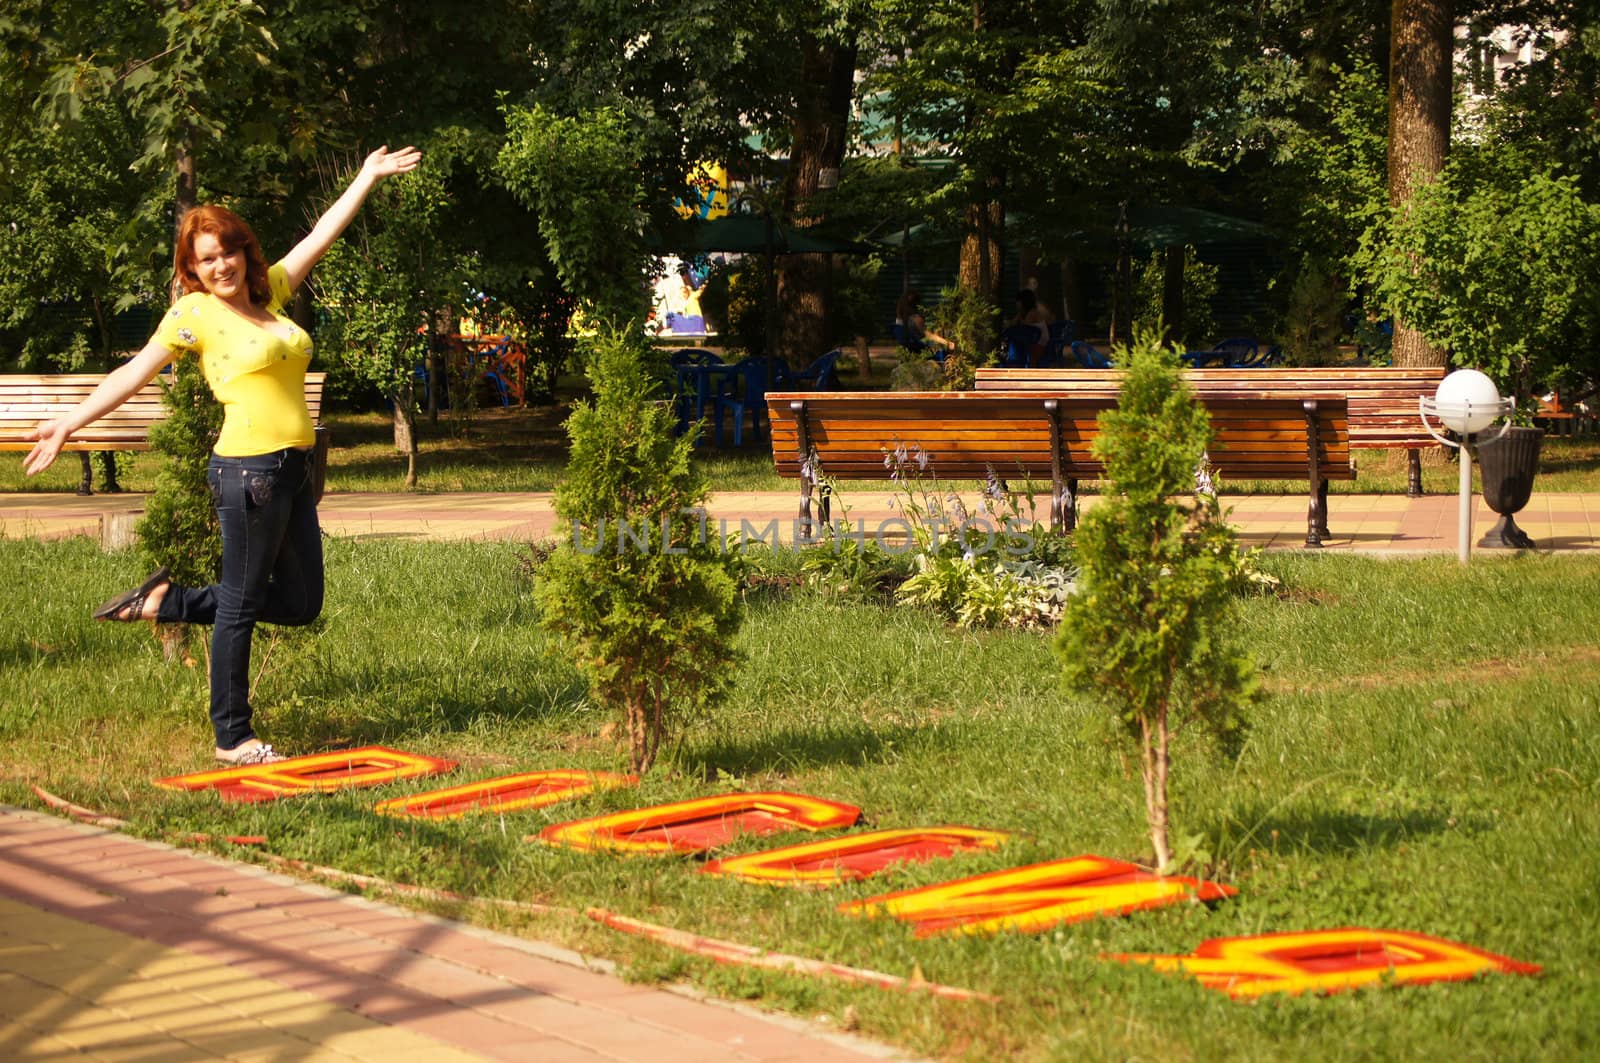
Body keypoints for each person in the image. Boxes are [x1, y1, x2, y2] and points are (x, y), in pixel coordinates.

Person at [23, 145, 422, 766]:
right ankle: (232, 736)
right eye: (206, 260)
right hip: (246, 473)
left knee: (301, 603)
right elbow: (133, 372)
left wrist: (365, 177)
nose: (221, 266)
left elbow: (321, 233)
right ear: (193, 269)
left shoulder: (272, 295)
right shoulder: (194, 316)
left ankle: (168, 601)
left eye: (227, 252)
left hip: (293, 473)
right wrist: (69, 423)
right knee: (239, 603)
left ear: (243, 251)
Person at [893, 290, 953, 354]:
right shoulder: (916, 318)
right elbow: (929, 335)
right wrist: (947, 343)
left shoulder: (899, 319)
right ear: (918, 304)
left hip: (909, 348)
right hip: (921, 347)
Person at [1011, 289, 1052, 367]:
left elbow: (1024, 328)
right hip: (1035, 343)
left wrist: (1019, 315)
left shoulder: (1032, 313)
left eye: (1018, 301)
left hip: (1039, 345)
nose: (1016, 303)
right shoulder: (1029, 312)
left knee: (1018, 349)